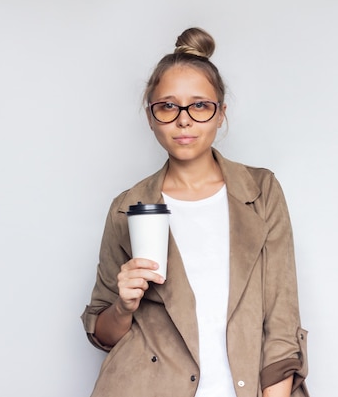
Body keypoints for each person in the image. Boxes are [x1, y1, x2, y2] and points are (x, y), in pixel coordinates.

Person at [81, 27, 309, 397]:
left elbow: (282, 323)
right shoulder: (127, 207)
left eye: (200, 105)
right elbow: (104, 334)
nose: (183, 119)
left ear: (221, 114)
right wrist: (123, 306)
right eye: (168, 106)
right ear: (151, 116)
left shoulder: (260, 192)